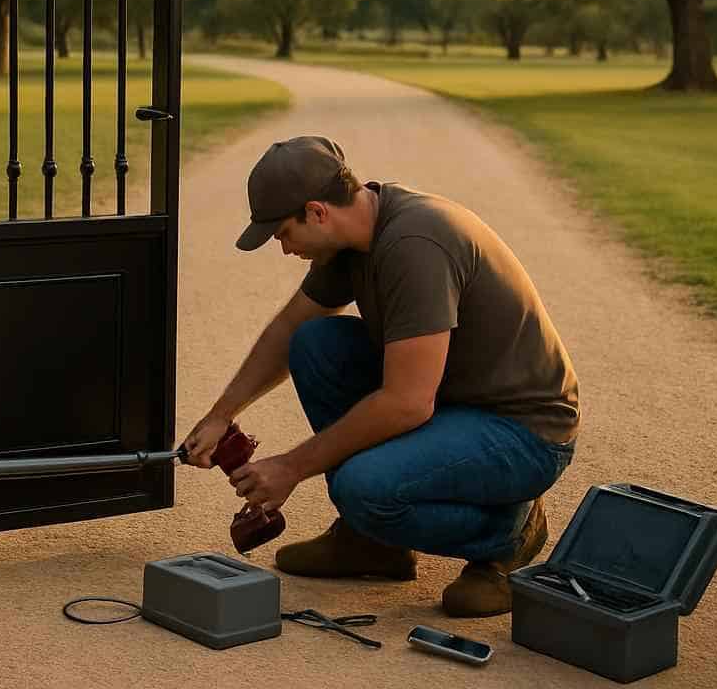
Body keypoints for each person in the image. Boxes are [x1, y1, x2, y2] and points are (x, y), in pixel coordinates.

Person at [182, 135, 579, 617]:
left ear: (317, 212)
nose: (283, 249)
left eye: (283, 233)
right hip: (455, 400)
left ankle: (509, 535)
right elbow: (291, 327)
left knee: (363, 487)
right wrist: (221, 415)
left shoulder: (415, 243)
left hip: (522, 431)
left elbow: (407, 403)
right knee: (313, 344)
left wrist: (290, 467)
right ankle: (373, 543)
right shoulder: (354, 235)